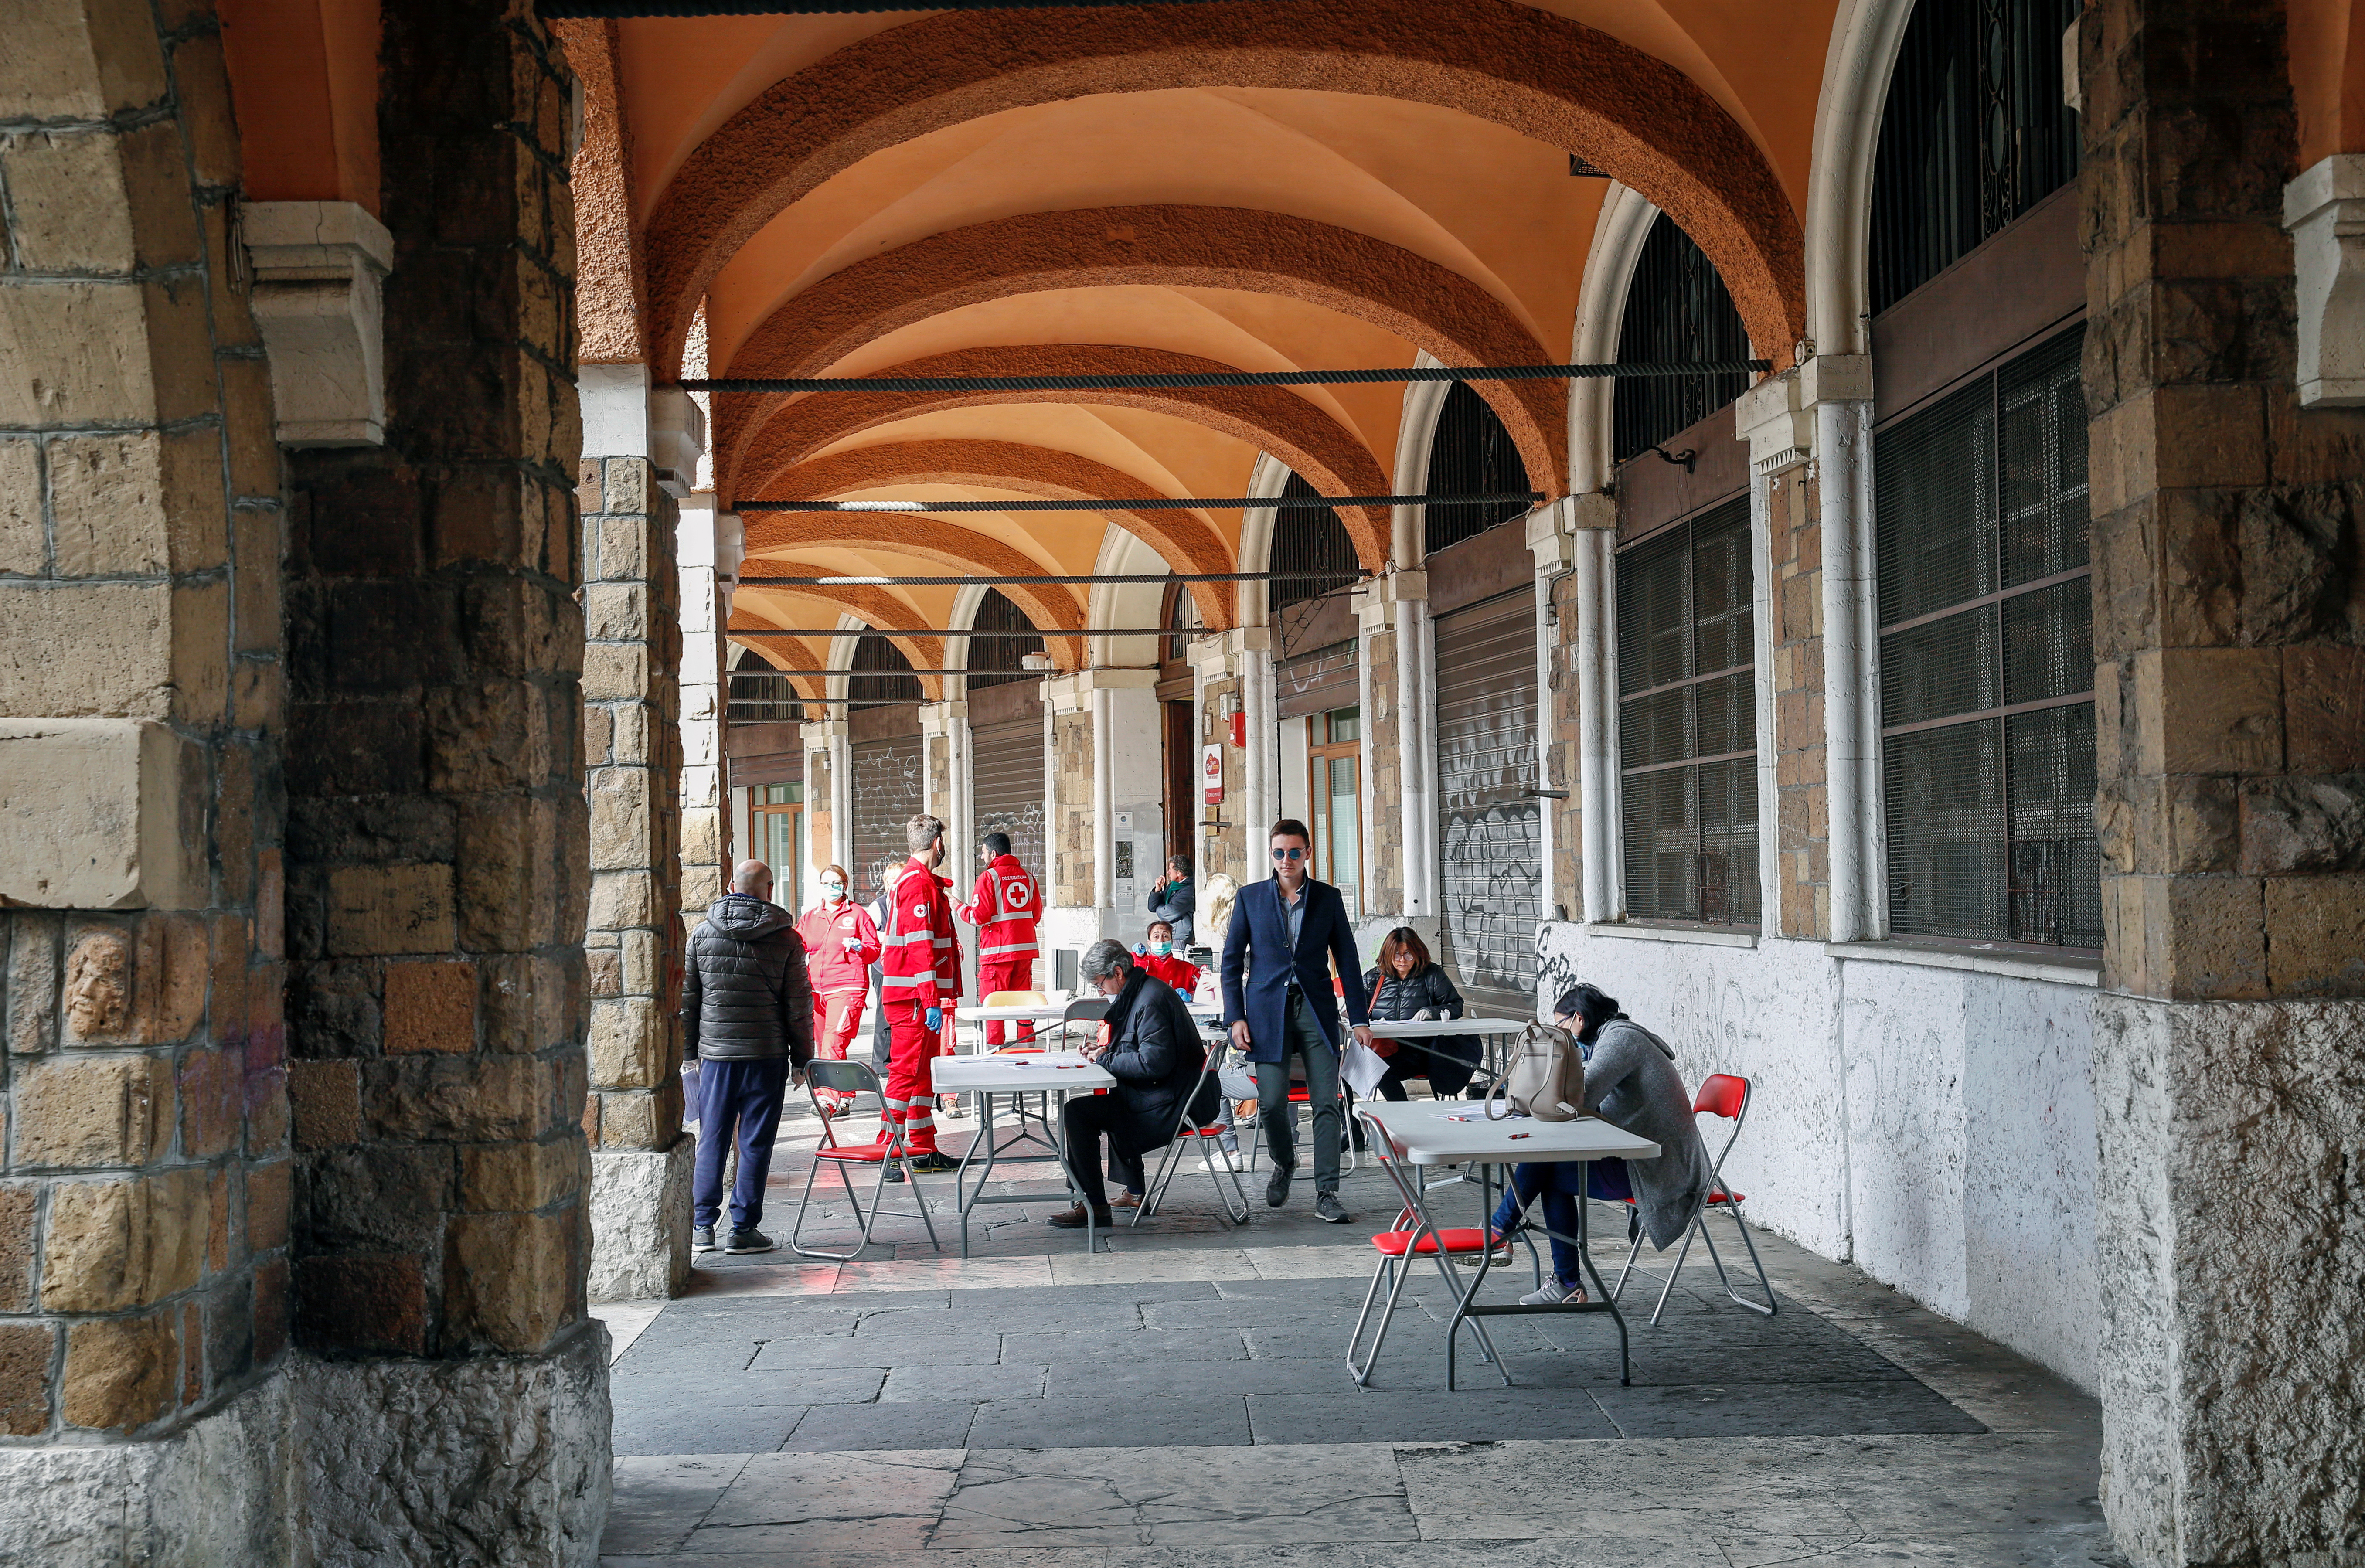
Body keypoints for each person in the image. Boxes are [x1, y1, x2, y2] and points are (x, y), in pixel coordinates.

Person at [1489, 983, 1712, 1305]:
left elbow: (1580, 1099)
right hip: (1648, 1159)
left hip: (1664, 1171)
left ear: (1578, 1018)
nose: (1561, 1034)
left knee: (1548, 1173)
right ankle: (1511, 1239)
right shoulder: (1612, 1037)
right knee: (1549, 1169)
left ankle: (1503, 1234)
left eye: (1561, 1026)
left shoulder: (1620, 1039)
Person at [1220, 818, 1372, 1224]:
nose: (1286, 860)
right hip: (1267, 1013)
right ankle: (1284, 1162)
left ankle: (1327, 1192)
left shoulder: (1327, 898)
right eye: (1278, 853)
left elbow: (1349, 962)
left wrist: (1359, 1019)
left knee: (1327, 1101)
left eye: (1293, 852)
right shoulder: (1250, 898)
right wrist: (1235, 1016)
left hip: (1316, 1009)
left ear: (1307, 853)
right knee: (1270, 1103)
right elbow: (1231, 962)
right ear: (1271, 855)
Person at [681, 858, 815, 1255]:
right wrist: (801, 1058)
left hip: (716, 1057)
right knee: (755, 1142)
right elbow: (799, 1006)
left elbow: (689, 1001)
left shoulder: (702, 935)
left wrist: (690, 1053)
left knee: (712, 1138)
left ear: (730, 886)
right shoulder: (786, 939)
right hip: (766, 1055)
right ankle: (742, 1229)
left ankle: (701, 1226)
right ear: (769, 890)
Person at [1049, 940, 1208, 1229]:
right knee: (1109, 1102)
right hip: (1171, 1093)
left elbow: (1152, 1064)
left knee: (1079, 1113)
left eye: (1100, 984)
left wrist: (1106, 1058)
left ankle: (1093, 1205)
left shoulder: (1149, 1001)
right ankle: (1133, 1191)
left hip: (1173, 1103)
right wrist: (1104, 1053)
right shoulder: (1143, 991)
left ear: (1118, 973)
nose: (1100, 991)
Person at [875, 815, 962, 1173]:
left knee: (923, 1075)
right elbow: (921, 946)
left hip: (915, 997)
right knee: (905, 1074)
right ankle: (888, 1152)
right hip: (913, 999)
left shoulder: (919, 882)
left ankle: (923, 1149)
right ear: (937, 843)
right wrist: (930, 1000)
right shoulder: (917, 885)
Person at [793, 864, 880, 1117]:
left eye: (837, 884)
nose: (832, 888)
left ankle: (827, 1099)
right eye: (827, 884)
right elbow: (796, 945)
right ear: (820, 886)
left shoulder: (857, 915)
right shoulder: (810, 917)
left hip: (848, 987)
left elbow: (874, 950)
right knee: (825, 1046)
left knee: (833, 1041)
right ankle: (845, 1094)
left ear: (845, 886)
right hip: (816, 991)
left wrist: (859, 948)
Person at [1358, 926, 1479, 1101]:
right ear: (1387, 954)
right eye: (1396, 955)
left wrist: (1432, 1012)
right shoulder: (1373, 979)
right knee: (1349, 1073)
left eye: (1408, 954)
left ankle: (1403, 1118)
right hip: (1384, 1050)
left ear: (1418, 953)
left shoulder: (1432, 975)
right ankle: (1352, 1127)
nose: (1402, 961)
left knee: (1381, 1072)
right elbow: (1357, 1009)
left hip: (1421, 1052)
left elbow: (1456, 1006)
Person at [956, 830, 1041, 1046]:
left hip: (996, 955)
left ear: (994, 854)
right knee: (1024, 1004)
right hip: (1024, 954)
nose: (983, 858)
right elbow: (1036, 916)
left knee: (993, 1006)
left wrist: (959, 908)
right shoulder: (1029, 878)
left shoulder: (989, 878)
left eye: (984, 853)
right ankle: (1027, 1049)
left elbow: (978, 916)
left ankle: (996, 1052)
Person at [1133, 919, 1200, 994]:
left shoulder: (1186, 969)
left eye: (1165, 936)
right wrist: (1139, 957)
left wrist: (1190, 997)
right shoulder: (1141, 964)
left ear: (1172, 941)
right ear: (1149, 943)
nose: (1161, 941)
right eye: (1156, 937)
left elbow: (1205, 986)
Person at [1146, 854, 1195, 948]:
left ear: (1179, 873)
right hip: (1170, 933)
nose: (1168, 872)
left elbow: (1168, 913)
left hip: (1180, 936)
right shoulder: (1173, 886)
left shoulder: (1189, 890)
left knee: (1177, 960)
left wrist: (1159, 908)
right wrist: (1157, 890)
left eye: (1171, 869)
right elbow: (1152, 907)